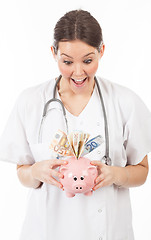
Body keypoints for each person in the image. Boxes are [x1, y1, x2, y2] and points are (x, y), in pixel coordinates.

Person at [0, 9, 151, 240]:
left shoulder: (125, 102)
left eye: (88, 60)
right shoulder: (31, 101)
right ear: (54, 53)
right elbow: (23, 174)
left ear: (102, 51)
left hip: (108, 233)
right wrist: (35, 171)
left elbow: (141, 172)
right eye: (67, 61)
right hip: (46, 231)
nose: (78, 72)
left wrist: (114, 175)